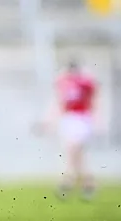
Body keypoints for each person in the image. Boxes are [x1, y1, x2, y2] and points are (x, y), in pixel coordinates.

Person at [40, 59, 100, 200]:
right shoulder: (65, 83)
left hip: (81, 119)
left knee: (73, 152)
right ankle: (86, 184)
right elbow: (59, 103)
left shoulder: (84, 83)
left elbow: (94, 100)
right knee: (77, 155)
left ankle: (67, 182)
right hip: (71, 119)